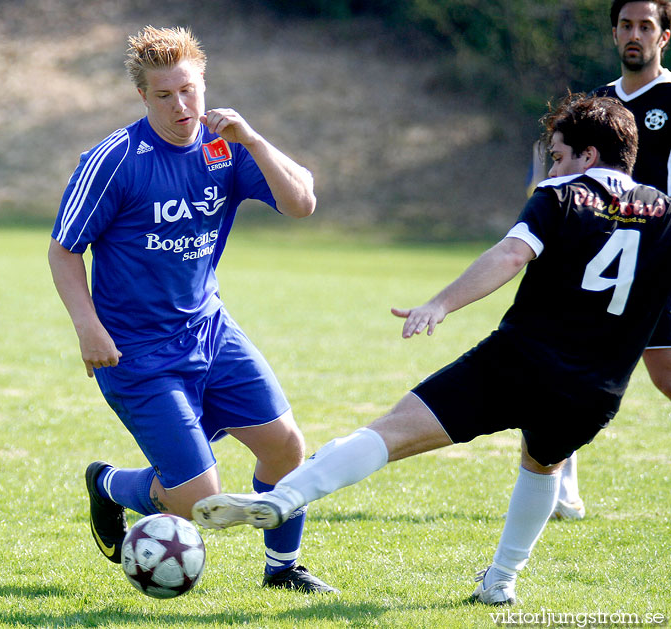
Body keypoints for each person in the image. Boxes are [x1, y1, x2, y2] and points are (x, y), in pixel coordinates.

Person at [192, 93, 671, 605]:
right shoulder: (663, 212)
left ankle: (286, 497)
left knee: (392, 432)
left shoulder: (561, 194)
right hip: (596, 392)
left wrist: (441, 303)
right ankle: (501, 583)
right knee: (543, 463)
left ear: (588, 156)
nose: (554, 166)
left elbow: (512, 253)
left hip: (521, 363)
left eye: (557, 155)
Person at [48, 25, 337, 594]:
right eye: (164, 95)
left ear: (204, 83)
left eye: (189, 90)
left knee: (286, 445)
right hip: (137, 355)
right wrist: (88, 328)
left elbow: (302, 204)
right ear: (143, 96)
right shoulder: (115, 160)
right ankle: (109, 484)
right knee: (200, 503)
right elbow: (63, 249)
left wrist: (253, 140)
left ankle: (283, 570)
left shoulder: (226, 145)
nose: (181, 105)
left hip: (210, 332)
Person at [552, 0, 671, 520]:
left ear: (664, 37)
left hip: (660, 260)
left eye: (647, 26)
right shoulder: (598, 104)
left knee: (665, 374)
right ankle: (562, 489)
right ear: (615, 33)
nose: (635, 35)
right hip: (599, 260)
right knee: (565, 369)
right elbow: (567, 175)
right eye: (626, 25)